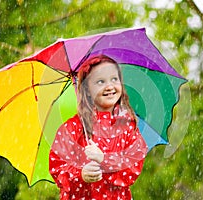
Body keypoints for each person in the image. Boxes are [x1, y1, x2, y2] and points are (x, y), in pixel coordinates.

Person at [49, 55, 148, 199]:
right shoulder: (72, 128)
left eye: (114, 79)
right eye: (100, 81)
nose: (109, 86)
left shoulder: (127, 127)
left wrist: (104, 160)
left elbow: (133, 167)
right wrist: (80, 174)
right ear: (87, 89)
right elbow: (57, 168)